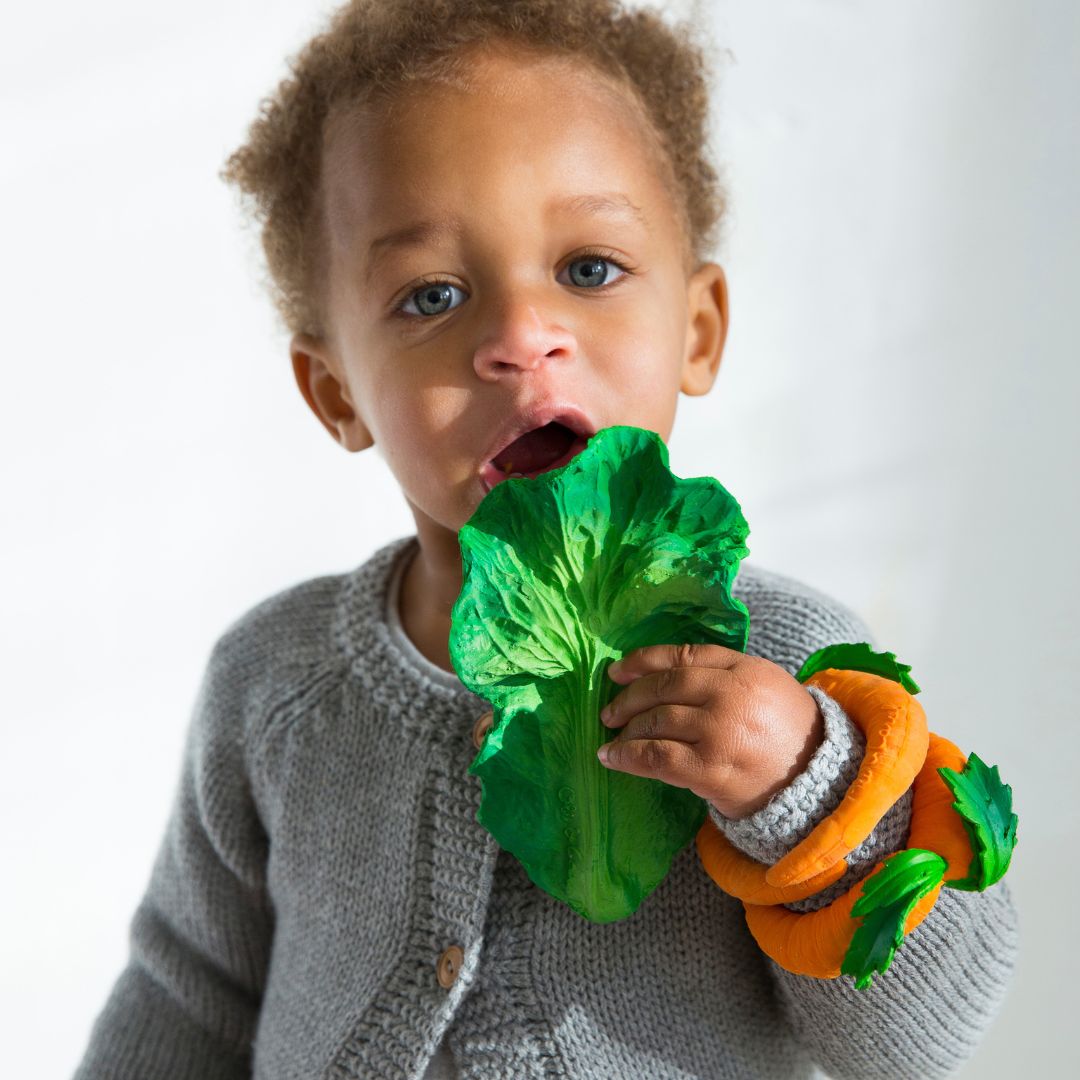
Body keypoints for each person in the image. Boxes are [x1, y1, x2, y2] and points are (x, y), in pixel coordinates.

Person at [73, 1, 1019, 1077]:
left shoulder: (790, 664)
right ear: (336, 392)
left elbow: (921, 1043)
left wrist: (805, 787)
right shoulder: (274, 681)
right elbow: (187, 993)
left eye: (589, 269)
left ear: (698, 330)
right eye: (433, 295)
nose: (522, 337)